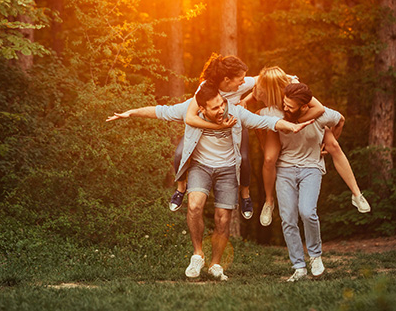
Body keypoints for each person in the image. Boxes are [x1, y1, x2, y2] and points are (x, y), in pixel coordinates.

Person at [107, 83, 312, 280]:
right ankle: (197, 255)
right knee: (194, 206)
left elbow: (267, 122)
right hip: (200, 167)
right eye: (215, 108)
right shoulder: (189, 109)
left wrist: (291, 126)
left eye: (222, 103)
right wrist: (131, 112)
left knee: (222, 219)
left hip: (228, 169)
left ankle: (215, 264)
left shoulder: (235, 112)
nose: (222, 109)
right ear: (202, 108)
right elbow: (160, 111)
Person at [253, 67, 370, 228]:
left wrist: (323, 144)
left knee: (334, 146)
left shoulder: (294, 86)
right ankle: (268, 201)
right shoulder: (265, 94)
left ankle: (356, 193)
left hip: (305, 117)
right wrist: (263, 142)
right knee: (269, 159)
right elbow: (255, 118)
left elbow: (320, 109)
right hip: (279, 119)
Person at [170, 53, 260, 220]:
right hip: (210, 125)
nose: (243, 81)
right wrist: (217, 126)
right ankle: (181, 188)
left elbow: (262, 79)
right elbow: (190, 117)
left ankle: (245, 194)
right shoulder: (206, 87)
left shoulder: (240, 83)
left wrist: (247, 100)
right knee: (179, 153)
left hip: (234, 125)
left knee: (245, 158)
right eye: (240, 78)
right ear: (227, 79)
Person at [272, 82, 345, 281]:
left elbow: (340, 120)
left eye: (290, 106)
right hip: (285, 169)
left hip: (311, 168)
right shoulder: (277, 113)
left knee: (307, 211)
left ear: (304, 107)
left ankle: (315, 256)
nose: (285, 108)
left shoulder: (321, 115)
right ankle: (299, 267)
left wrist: (328, 146)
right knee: (288, 218)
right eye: (284, 103)